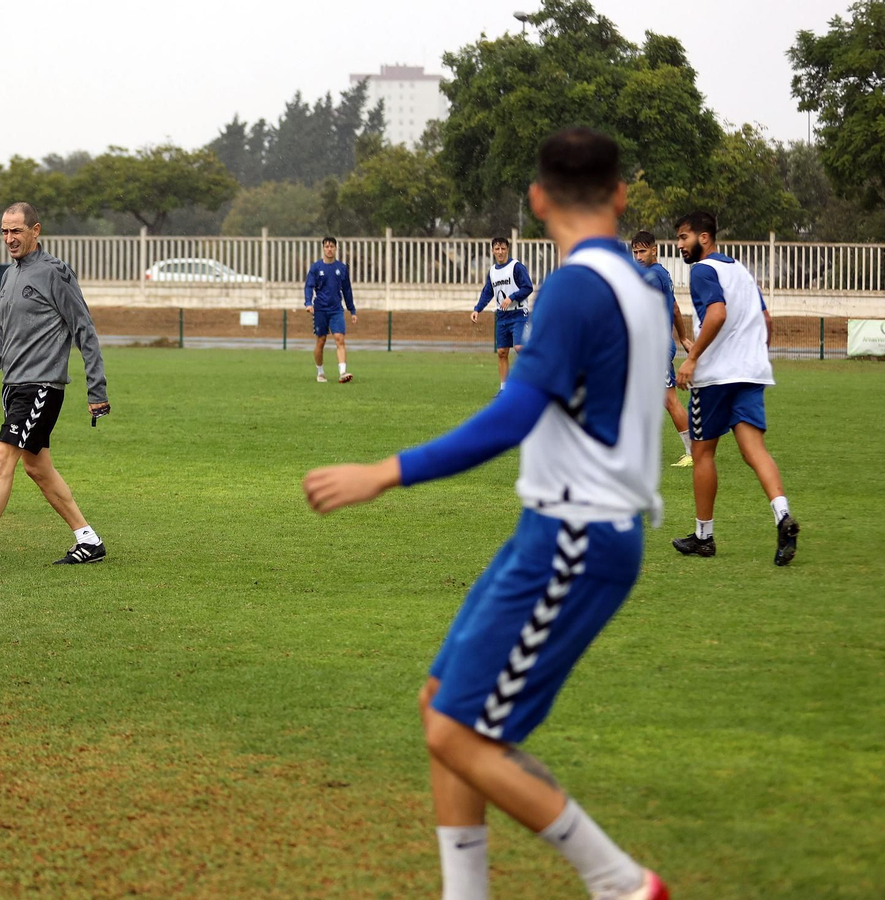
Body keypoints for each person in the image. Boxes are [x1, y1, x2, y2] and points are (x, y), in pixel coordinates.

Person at [303, 127, 670, 900]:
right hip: (555, 528)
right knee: (442, 706)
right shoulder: (639, 286)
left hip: (579, 534)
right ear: (621, 195)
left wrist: (382, 473)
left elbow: (512, 418)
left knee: (456, 733)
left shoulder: (574, 286)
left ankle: (622, 884)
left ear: (536, 201)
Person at [0, 202, 111, 573]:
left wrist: (97, 390)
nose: (9, 238)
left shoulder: (55, 273)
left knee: (3, 461)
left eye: (16, 230)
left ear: (36, 230)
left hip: (41, 387)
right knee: (37, 467)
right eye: (4, 231)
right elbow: (0, 338)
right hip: (14, 386)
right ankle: (88, 540)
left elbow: (85, 330)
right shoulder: (9, 276)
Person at [669, 211, 799, 565]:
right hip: (751, 372)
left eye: (684, 237)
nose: (679, 245)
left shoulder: (702, 270)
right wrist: (756, 354)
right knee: (753, 449)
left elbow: (717, 313)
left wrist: (692, 358)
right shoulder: (740, 270)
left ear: (704, 238)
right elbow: (766, 319)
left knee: (703, 453)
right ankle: (782, 515)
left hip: (716, 377)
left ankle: (704, 537)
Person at [630, 231, 695, 467]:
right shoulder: (662, 274)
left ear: (654, 250)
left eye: (642, 251)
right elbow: (675, 308)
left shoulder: (651, 277)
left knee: (668, 400)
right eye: (635, 251)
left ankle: (693, 452)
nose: (638, 256)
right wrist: (684, 337)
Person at [470, 237, 535, 393]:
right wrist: (477, 309)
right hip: (502, 316)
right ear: (492, 251)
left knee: (520, 347)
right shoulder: (492, 271)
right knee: (502, 352)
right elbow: (487, 292)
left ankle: (533, 382)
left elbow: (528, 287)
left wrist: (512, 297)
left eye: (503, 248)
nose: (500, 252)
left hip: (519, 313)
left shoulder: (516, 267)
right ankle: (504, 389)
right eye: (497, 249)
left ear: (507, 249)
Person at [304, 237, 356, 383]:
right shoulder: (316, 268)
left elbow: (347, 290)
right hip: (320, 309)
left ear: (335, 248)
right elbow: (309, 287)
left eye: (331, 246)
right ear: (323, 248)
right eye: (326, 246)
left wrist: (352, 310)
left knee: (340, 339)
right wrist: (308, 303)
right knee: (321, 340)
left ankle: (343, 372)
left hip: (336, 310)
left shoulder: (341, 268)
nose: (329, 249)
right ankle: (320, 372)